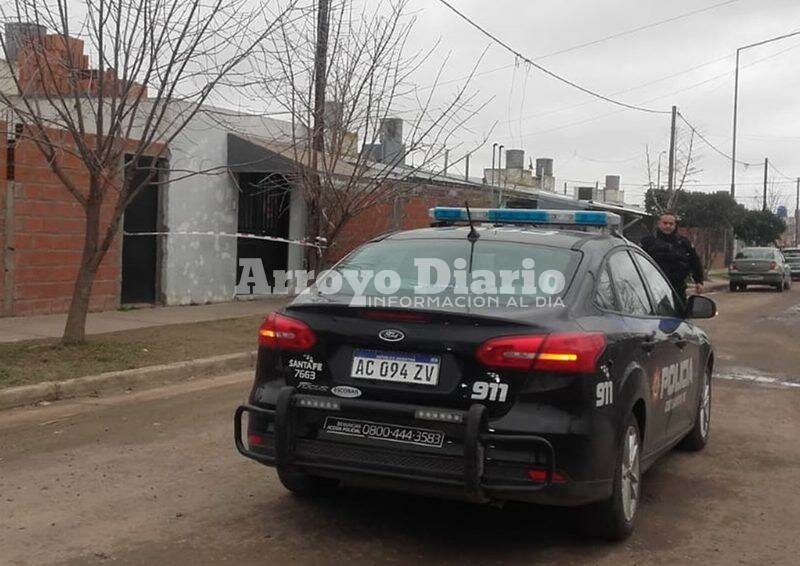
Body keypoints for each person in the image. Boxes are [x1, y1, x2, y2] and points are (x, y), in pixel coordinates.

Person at [640, 212, 704, 304]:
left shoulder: (683, 243)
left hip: (677, 288)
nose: (668, 226)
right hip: (653, 288)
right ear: (659, 224)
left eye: (671, 224)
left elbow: (694, 261)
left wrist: (699, 281)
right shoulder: (648, 242)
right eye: (665, 223)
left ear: (675, 225)